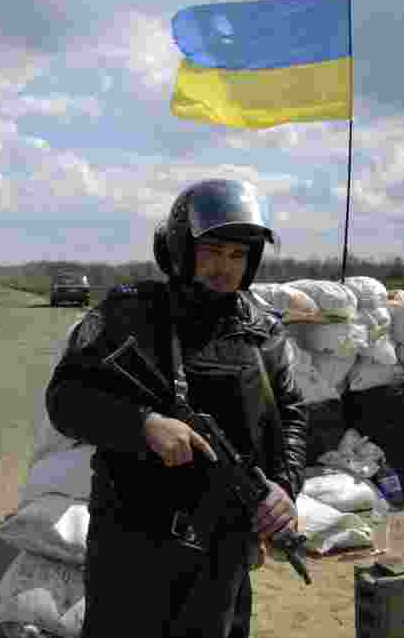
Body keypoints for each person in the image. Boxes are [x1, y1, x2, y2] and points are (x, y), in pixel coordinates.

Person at [46, 179, 309, 638]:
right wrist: (142, 425)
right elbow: (66, 399)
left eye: (237, 255)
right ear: (180, 249)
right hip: (133, 544)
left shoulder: (261, 331)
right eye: (213, 251)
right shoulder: (128, 315)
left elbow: (291, 417)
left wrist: (283, 489)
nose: (224, 267)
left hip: (223, 547)